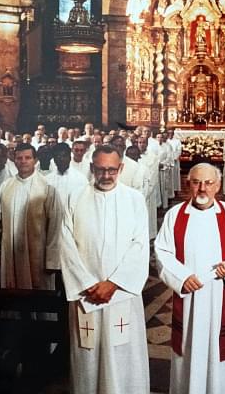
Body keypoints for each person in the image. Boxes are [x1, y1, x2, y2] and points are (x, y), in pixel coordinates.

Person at [155, 163, 225, 394]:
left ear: (218, 185)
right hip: (188, 297)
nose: (202, 188)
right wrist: (181, 277)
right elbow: (162, 251)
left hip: (221, 294)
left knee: (223, 355)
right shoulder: (175, 215)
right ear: (188, 184)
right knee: (189, 352)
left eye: (209, 183)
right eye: (196, 182)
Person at [60, 145, 150, 394]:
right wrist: (87, 284)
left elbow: (140, 246)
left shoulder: (134, 199)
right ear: (92, 168)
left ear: (121, 168)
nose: (107, 175)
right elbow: (65, 244)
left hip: (121, 293)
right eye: (100, 170)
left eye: (112, 169)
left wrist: (114, 283)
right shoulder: (75, 197)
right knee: (86, 355)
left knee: (123, 355)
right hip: (85, 295)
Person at [0, 143, 62, 290]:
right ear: (14, 160)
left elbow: (55, 225)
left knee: (40, 298)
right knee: (13, 294)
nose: (23, 161)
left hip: (38, 255)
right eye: (19, 158)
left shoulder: (47, 187)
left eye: (27, 158)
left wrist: (52, 260)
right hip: (10, 252)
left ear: (35, 160)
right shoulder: (6, 186)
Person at [45, 143, 88, 208]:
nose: (61, 159)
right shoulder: (47, 180)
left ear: (70, 158)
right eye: (58, 156)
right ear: (54, 159)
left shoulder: (81, 179)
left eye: (64, 156)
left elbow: (85, 203)